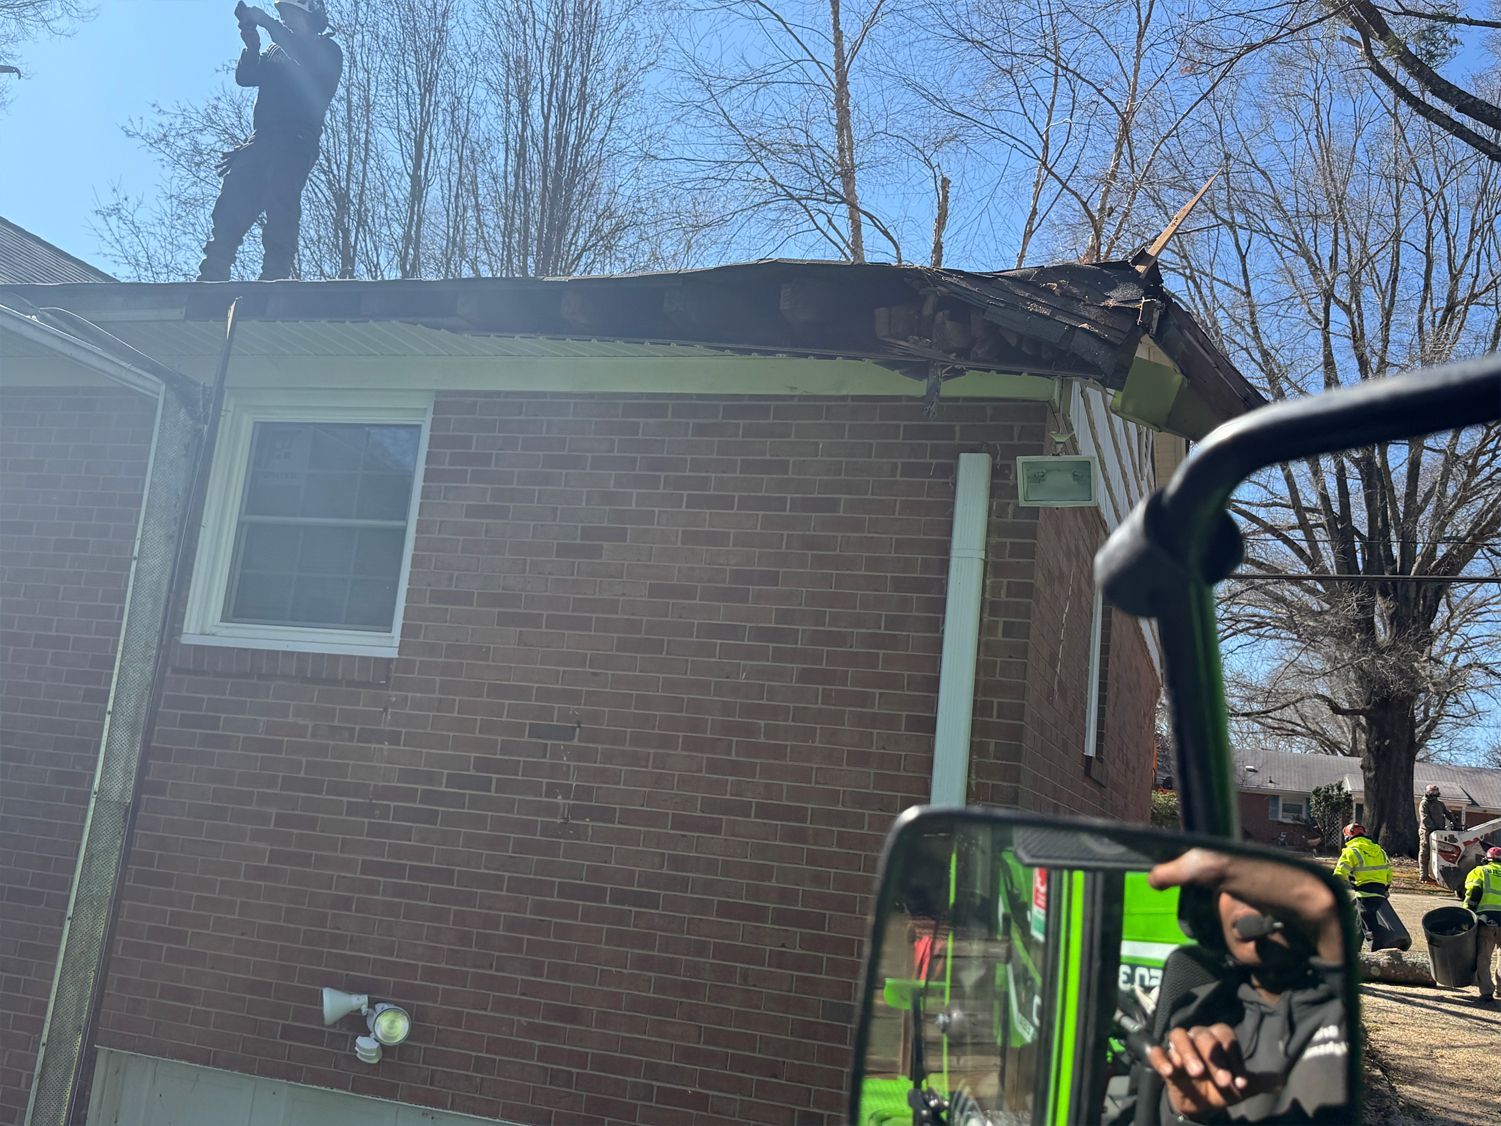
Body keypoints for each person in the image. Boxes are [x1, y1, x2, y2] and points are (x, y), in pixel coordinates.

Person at [1138, 849, 1349, 1124]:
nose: (1251, 897)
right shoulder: (1193, 1011)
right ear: (1210, 913)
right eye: (1230, 887)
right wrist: (1190, 1113)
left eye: (1265, 884)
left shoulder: (1336, 1001)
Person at [197, 0, 342, 282]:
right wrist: (252, 47)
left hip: (296, 139)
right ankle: (214, 271)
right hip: (262, 137)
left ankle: (275, 276)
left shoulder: (327, 51)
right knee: (233, 200)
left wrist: (267, 22)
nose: (287, 22)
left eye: (292, 17)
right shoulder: (278, 50)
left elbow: (305, 56)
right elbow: (247, 77)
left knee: (281, 199)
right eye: (283, 16)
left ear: (311, 18)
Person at [1332, 822, 1392, 945]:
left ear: (1348, 837)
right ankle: (1355, 948)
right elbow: (1388, 872)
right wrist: (1385, 889)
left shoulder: (1351, 851)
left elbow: (1340, 872)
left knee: (1369, 923)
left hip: (1364, 893)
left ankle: (1379, 947)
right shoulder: (1379, 850)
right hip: (1380, 892)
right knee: (1358, 919)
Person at [1464, 846, 1501, 1005]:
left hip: (1487, 919)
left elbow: (1474, 893)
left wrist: (1467, 913)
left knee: (1483, 957)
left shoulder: (1481, 871)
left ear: (1487, 859)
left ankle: (1486, 992)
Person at [1419, 784, 1453, 883]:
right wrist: (1433, 828)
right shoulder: (1424, 803)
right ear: (1427, 791)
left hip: (1440, 832)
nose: (1433, 793)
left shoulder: (1440, 804)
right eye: (1431, 791)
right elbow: (1425, 818)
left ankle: (1437, 875)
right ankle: (1423, 875)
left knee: (1439, 853)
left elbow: (1448, 814)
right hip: (1427, 831)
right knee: (1425, 852)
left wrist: (1455, 822)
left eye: (1435, 791)